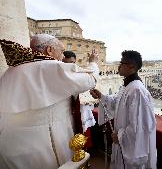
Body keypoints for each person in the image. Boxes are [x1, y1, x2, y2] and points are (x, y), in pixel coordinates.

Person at [0, 34, 99, 169]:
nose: (63, 56)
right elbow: (90, 78)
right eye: (62, 51)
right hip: (40, 147)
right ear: (49, 50)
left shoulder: (10, 71)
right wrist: (93, 62)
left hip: (10, 145)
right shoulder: (50, 66)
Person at [90, 50, 157, 169]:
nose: (118, 66)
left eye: (122, 63)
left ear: (131, 66)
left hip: (130, 148)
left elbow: (140, 126)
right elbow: (116, 103)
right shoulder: (127, 86)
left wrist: (120, 136)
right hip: (121, 142)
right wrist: (102, 96)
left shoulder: (137, 91)